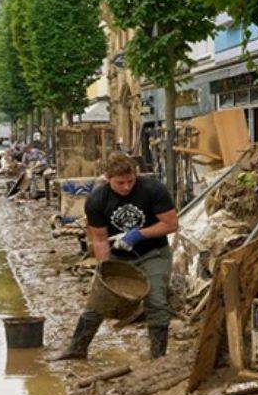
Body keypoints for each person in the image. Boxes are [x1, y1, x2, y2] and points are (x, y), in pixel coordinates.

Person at [53, 153, 179, 361]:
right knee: (98, 302)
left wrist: (138, 234)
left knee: (156, 301)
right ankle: (77, 348)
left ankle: (158, 357)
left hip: (153, 253)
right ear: (107, 178)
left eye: (130, 181)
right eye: (120, 183)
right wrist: (106, 269)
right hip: (119, 257)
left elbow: (171, 224)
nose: (127, 187)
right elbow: (100, 239)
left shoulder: (153, 190)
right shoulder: (97, 200)